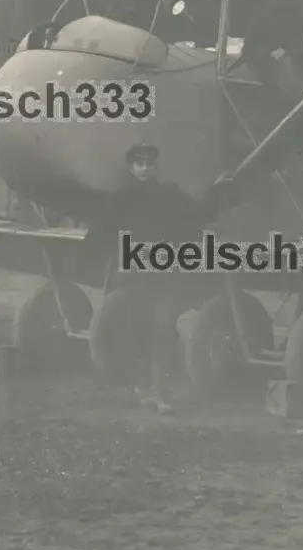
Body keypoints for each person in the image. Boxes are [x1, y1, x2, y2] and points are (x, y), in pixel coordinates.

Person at [88, 143, 226, 414]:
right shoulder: (121, 198)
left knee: (162, 328)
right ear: (131, 168)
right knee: (134, 329)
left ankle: (159, 391)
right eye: (139, 163)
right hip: (134, 274)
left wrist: (218, 189)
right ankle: (143, 389)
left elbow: (202, 212)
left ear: (155, 167)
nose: (144, 168)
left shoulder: (169, 195)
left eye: (148, 163)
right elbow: (101, 230)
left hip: (165, 274)